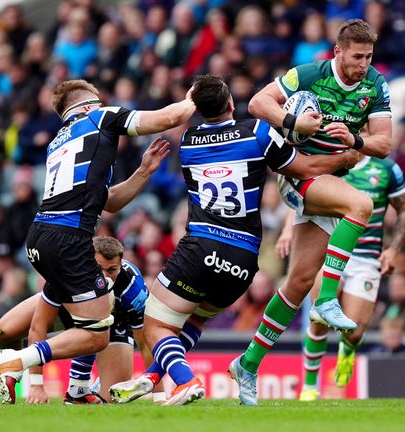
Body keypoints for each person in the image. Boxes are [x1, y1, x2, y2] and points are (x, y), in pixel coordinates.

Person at [107, 75, 361, 406]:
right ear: (231, 104)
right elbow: (306, 168)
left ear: (195, 108)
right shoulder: (258, 131)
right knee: (196, 318)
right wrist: (344, 157)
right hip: (242, 261)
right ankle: (152, 376)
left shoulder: (188, 141)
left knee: (155, 325)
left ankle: (184, 381)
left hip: (201, 247)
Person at [0, 79, 195, 404]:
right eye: (98, 102)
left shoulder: (59, 142)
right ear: (87, 106)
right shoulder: (99, 119)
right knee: (95, 334)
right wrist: (193, 100)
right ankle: (17, 362)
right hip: (68, 237)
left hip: (40, 236)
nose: (102, 106)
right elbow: (168, 118)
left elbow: (108, 202)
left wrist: (142, 173)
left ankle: (67, 387)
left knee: (86, 323)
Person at [231, 18, 393, 406]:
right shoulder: (309, 74)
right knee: (362, 204)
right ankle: (329, 298)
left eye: (369, 57)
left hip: (327, 178)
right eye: (357, 57)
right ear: (338, 52)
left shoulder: (376, 84)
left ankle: (248, 363)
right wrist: (294, 121)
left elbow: (384, 144)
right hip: (296, 171)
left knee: (299, 281)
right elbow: (257, 103)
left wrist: (355, 139)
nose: (363, 65)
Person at [282, 156, 405, 401]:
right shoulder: (328, 161)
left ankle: (347, 350)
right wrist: (288, 232)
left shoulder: (385, 169)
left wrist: (394, 248)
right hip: (329, 250)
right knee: (318, 318)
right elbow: (303, 198)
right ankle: (310, 386)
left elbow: (404, 208)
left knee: (352, 331)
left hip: (366, 259)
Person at [0, 236, 150, 404]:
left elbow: (144, 342)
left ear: (120, 265)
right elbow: (38, 326)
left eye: (111, 270)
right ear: (88, 261)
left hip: (114, 324)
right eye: (98, 268)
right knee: (3, 331)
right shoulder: (66, 271)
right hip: (67, 309)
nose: (104, 276)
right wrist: (36, 386)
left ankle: (93, 386)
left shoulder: (133, 287)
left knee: (112, 396)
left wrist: (157, 391)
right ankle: (9, 370)